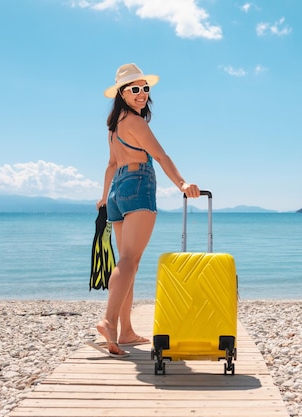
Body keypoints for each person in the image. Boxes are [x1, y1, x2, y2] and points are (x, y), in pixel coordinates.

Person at [95, 63, 200, 356]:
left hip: (117, 190)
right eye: (134, 89)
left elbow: (111, 164)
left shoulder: (114, 127)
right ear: (122, 93)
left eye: (145, 88)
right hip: (138, 183)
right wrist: (181, 183)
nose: (141, 94)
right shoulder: (137, 123)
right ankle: (109, 320)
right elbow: (160, 155)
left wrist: (104, 197)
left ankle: (126, 331)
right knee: (129, 260)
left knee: (128, 263)